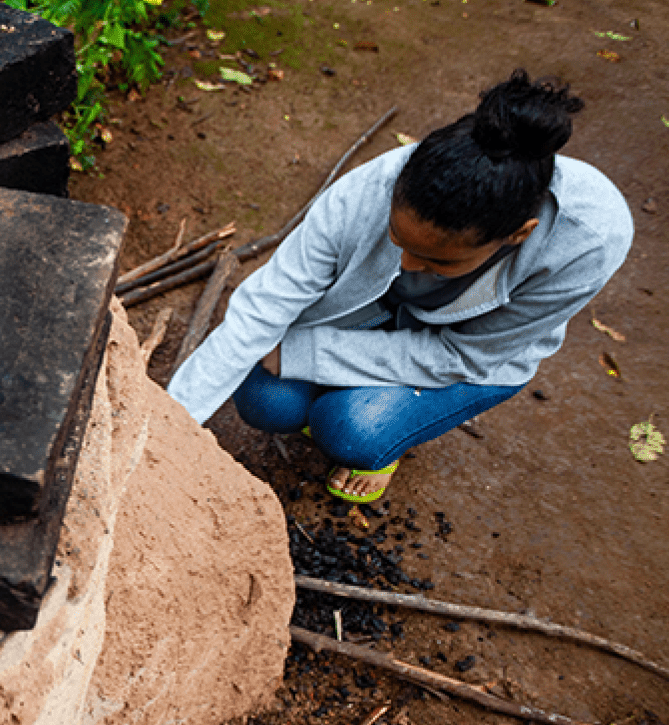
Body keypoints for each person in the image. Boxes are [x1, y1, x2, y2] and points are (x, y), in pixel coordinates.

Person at [168, 70, 633, 503]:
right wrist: (169, 424)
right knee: (266, 400)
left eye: (436, 260)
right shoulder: (370, 192)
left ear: (518, 234)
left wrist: (302, 351)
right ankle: (355, 394)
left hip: (468, 356)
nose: (408, 264)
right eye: (398, 240)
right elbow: (265, 304)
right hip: (372, 321)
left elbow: (466, 355)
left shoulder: (587, 242)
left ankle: (385, 433)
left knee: (351, 430)